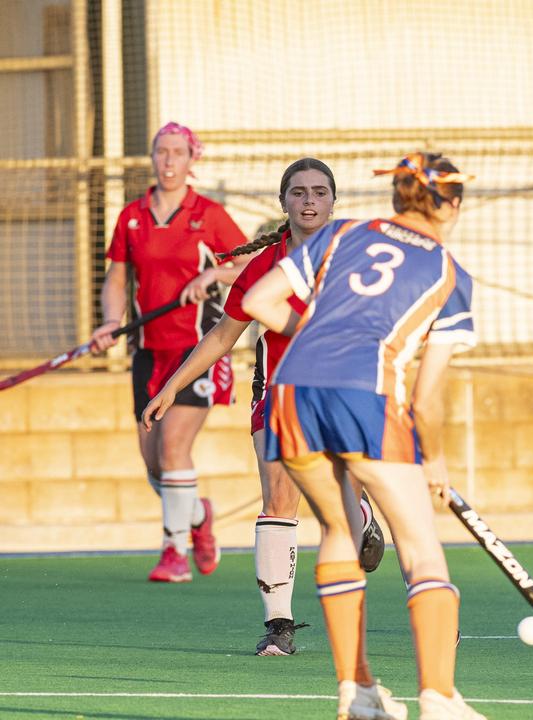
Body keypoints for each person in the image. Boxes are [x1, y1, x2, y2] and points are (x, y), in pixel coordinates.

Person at [242, 151, 484, 720]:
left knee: (338, 532)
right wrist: (438, 463)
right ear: (450, 206)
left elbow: (257, 302)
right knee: (422, 549)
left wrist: (317, 336)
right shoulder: (450, 272)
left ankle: (359, 691)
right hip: (365, 399)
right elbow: (425, 398)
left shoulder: (342, 234)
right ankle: (440, 699)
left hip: (290, 394)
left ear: (398, 196)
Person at [141, 158, 386, 657]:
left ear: (334, 202)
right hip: (275, 393)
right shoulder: (262, 267)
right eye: (299, 193)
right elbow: (222, 335)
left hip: (340, 390)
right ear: (284, 203)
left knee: (338, 496)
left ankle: (358, 510)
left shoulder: (353, 259)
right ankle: (280, 627)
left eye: (320, 192)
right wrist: (172, 384)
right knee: (278, 498)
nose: (310, 201)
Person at [91, 122, 250, 583]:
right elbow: (117, 280)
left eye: (177, 152)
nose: (168, 160)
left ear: (190, 159)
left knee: (175, 447)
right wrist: (109, 321)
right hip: (148, 350)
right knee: (154, 463)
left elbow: (248, 264)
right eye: (161, 151)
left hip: (198, 348)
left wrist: (212, 278)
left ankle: (173, 552)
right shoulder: (132, 216)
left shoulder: (209, 215)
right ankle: (198, 516)